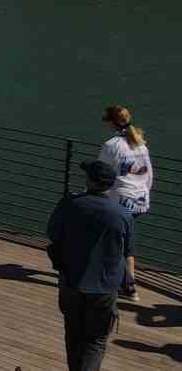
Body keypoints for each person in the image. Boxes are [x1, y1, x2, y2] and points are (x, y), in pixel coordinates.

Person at [48, 159, 133, 371]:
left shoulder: (70, 204)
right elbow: (127, 251)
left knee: (73, 335)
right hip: (105, 288)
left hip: (72, 281)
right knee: (95, 341)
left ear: (89, 181)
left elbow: (53, 234)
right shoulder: (122, 214)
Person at [98, 105, 152, 298]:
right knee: (124, 242)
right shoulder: (140, 144)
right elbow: (149, 176)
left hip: (119, 201)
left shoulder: (111, 145)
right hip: (139, 200)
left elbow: (101, 174)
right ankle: (128, 284)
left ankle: (127, 285)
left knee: (113, 242)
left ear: (111, 122)